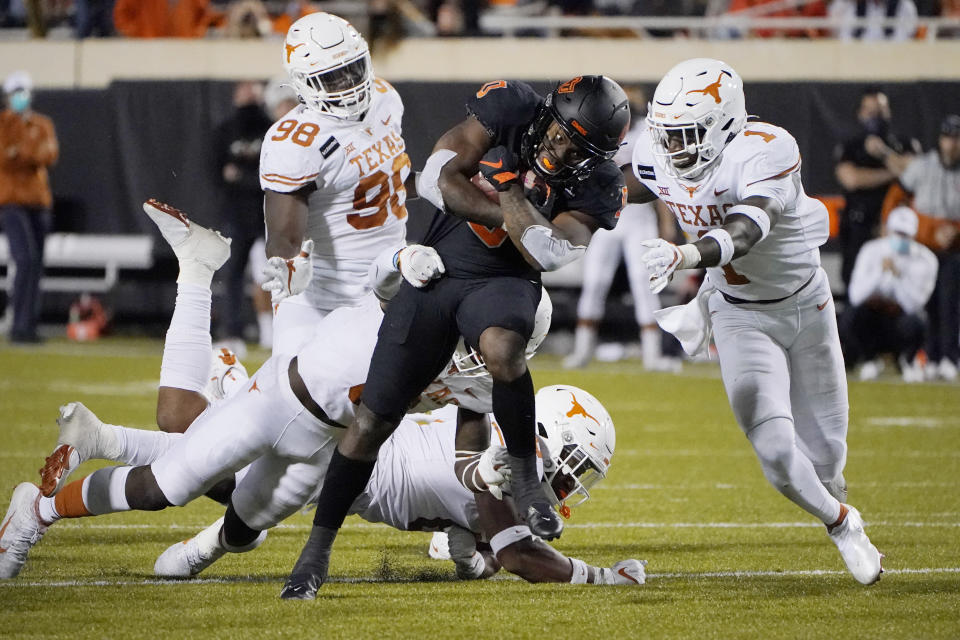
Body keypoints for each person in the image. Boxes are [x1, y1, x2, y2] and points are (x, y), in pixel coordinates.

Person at [0, 198, 481, 581]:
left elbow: (463, 450)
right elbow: (374, 289)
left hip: (321, 452)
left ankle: (186, 526)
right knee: (164, 485)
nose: (480, 352)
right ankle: (38, 510)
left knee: (242, 528)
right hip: (277, 401)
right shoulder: (420, 312)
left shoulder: (477, 383)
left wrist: (484, 478)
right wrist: (400, 257)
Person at [280, 75, 631, 599]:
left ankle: (528, 484)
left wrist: (506, 187)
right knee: (373, 417)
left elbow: (550, 253)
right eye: (558, 133)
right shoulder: (510, 107)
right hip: (440, 268)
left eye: (576, 146)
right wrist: (513, 214)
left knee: (502, 351)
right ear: (547, 114)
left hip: (507, 280)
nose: (559, 149)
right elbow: (435, 179)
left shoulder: (604, 183)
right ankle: (315, 553)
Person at [624, 58, 883, 585]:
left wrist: (686, 257)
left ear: (723, 125)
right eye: (668, 135)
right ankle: (842, 525)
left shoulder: (766, 148)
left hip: (806, 308)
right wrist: (546, 191)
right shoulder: (656, 153)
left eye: (688, 135)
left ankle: (833, 495)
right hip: (737, 314)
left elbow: (747, 229)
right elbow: (623, 188)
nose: (675, 149)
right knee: (775, 452)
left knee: (828, 456)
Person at [259, 12, 412, 357]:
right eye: (332, 77)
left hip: (387, 295)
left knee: (395, 406)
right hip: (318, 303)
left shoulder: (385, 98)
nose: (348, 83)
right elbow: (283, 236)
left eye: (352, 68)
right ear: (302, 82)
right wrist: (288, 265)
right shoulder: (295, 141)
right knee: (295, 405)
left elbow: (386, 183)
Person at [564, 85, 680, 371]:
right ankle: (582, 350)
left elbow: (658, 186)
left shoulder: (646, 137)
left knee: (645, 285)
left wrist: (666, 225)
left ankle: (652, 355)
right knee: (594, 283)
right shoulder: (599, 133)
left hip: (639, 218)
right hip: (605, 220)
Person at [892, 115, 960, 381]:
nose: (952, 144)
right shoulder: (923, 167)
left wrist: (955, 230)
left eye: (956, 139)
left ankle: (949, 357)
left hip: (954, 252)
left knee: (949, 305)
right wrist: (895, 226)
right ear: (940, 140)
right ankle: (930, 357)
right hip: (923, 249)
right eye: (948, 138)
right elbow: (897, 197)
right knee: (927, 303)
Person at [839, 205, 938, 382]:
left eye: (905, 234)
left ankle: (907, 359)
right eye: (897, 232)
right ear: (887, 230)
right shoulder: (871, 250)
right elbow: (855, 296)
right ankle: (868, 359)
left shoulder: (925, 260)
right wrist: (880, 273)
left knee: (916, 323)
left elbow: (914, 305)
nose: (900, 238)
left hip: (899, 321)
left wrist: (897, 276)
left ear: (913, 235)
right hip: (873, 321)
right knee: (851, 316)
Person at [834, 88, 916, 289]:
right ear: (860, 113)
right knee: (856, 285)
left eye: (879, 111)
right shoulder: (851, 146)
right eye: (869, 111)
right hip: (859, 226)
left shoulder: (903, 144)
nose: (874, 117)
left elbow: (914, 174)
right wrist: (894, 172)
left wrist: (884, 154)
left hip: (896, 227)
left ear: (888, 112)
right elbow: (852, 179)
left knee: (897, 284)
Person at [213, 80, 273, 349]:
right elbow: (215, 172)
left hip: (267, 217)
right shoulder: (226, 131)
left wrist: (241, 177)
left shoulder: (270, 130)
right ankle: (232, 332)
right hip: (238, 216)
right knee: (234, 275)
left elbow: (269, 177)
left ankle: (271, 330)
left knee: (269, 275)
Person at [0, 71, 58, 344]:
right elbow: (6, 156)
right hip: (11, 202)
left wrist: (21, 152)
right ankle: (18, 324)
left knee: (35, 263)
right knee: (23, 260)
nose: (20, 97)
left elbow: (49, 155)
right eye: (15, 92)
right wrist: (29, 152)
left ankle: (29, 324)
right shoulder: (3, 123)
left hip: (38, 202)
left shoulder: (42, 123)